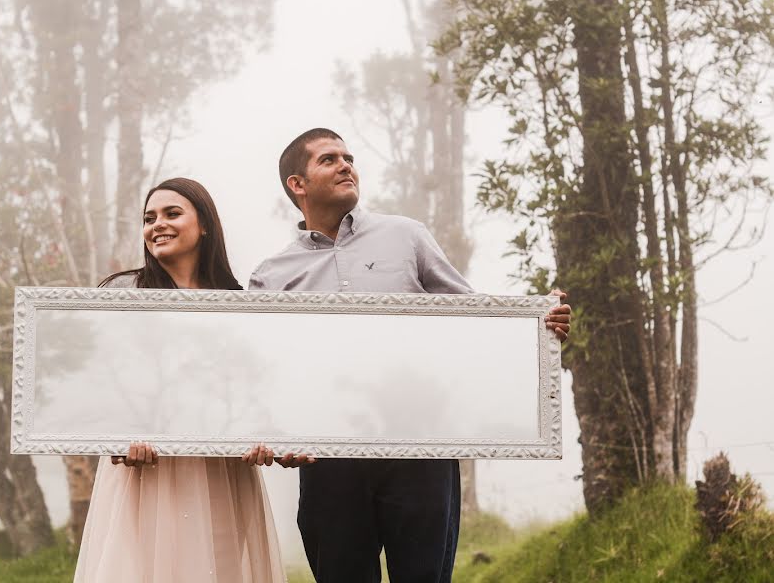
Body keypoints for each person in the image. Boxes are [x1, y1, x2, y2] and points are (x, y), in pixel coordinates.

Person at [245, 128, 572, 583]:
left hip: (421, 452)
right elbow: (265, 374)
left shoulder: (407, 236)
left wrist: (538, 326)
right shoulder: (270, 275)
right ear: (297, 185)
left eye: (349, 157)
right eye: (329, 159)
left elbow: (474, 319)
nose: (346, 165)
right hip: (328, 465)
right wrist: (273, 438)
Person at [74, 178, 285, 583]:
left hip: (220, 473)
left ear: (204, 223)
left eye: (172, 213)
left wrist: (260, 435)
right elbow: (102, 387)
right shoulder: (122, 292)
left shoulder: (241, 305)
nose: (158, 225)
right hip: (145, 471)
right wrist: (117, 439)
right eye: (149, 218)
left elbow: (251, 395)